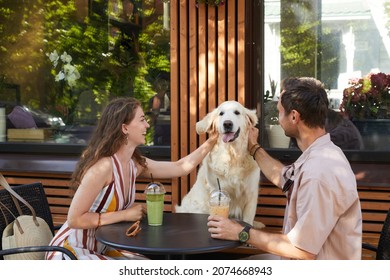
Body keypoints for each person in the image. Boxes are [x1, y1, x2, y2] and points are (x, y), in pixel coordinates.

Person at [207, 77, 362, 260]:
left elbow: (302, 250)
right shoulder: (322, 153)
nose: (278, 119)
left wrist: (241, 232)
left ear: (294, 117)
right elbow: (284, 178)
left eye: (280, 112)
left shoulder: (319, 173)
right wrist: (253, 148)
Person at [46, 97, 217, 260]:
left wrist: (211, 142)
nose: (147, 125)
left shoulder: (134, 163)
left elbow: (180, 167)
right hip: (71, 252)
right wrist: (125, 214)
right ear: (125, 128)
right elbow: (75, 219)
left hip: (103, 248)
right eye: (142, 120)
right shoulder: (103, 168)